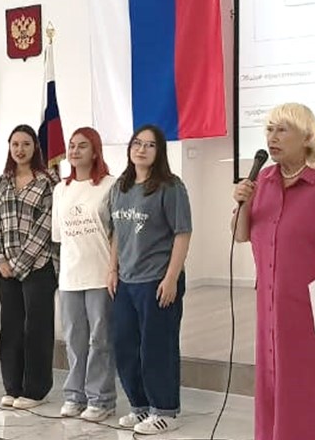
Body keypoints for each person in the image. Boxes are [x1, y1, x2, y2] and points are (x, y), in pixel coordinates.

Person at [232, 103, 315, 440]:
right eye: (269, 130)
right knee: (275, 383)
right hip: (272, 309)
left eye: (282, 130)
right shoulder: (263, 180)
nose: (272, 137)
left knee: (314, 388)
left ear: (307, 137)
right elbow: (241, 234)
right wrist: (243, 200)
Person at [109, 124, 192, 436]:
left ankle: (165, 410)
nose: (141, 149)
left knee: (158, 348)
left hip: (157, 279)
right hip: (126, 281)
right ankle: (140, 405)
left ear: (160, 152)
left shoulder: (170, 187)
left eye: (150, 145)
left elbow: (182, 233)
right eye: (137, 143)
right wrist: (112, 269)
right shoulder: (120, 187)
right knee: (125, 346)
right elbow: (116, 232)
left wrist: (171, 278)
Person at [0, 124, 57, 410]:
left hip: (38, 266)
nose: (20, 149)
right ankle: (12, 386)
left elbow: (47, 226)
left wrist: (20, 262)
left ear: (35, 147)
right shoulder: (1, 183)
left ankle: (35, 390)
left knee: (37, 328)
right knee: (11, 328)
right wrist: (0, 259)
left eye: (26, 144)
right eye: (15, 144)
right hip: (7, 269)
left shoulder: (48, 181)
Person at [53, 127, 116, 421]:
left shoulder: (110, 185)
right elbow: (59, 236)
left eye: (82, 146)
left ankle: (101, 399)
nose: (75, 151)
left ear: (95, 151)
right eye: (72, 145)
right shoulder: (61, 189)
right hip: (70, 276)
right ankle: (74, 396)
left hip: (100, 274)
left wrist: (113, 269)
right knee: (74, 341)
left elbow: (116, 233)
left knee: (100, 340)